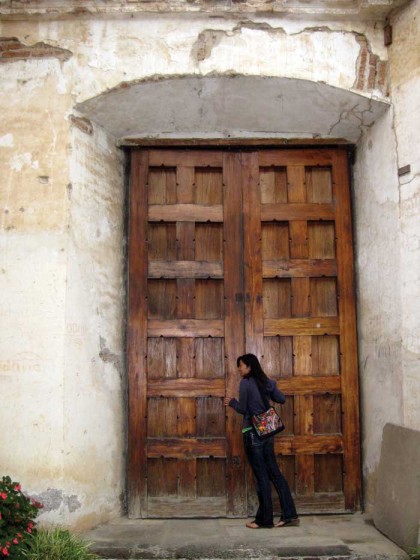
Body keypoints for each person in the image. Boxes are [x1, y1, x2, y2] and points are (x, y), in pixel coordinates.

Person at [224, 353, 299, 529]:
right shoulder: (267, 382)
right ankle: (289, 514)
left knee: (262, 476)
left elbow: (244, 409)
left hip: (252, 433)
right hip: (267, 433)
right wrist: (272, 386)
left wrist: (232, 402)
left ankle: (264, 520)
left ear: (249, 366)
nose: (239, 369)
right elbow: (281, 399)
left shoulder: (245, 383)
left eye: (241, 365)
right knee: (275, 473)